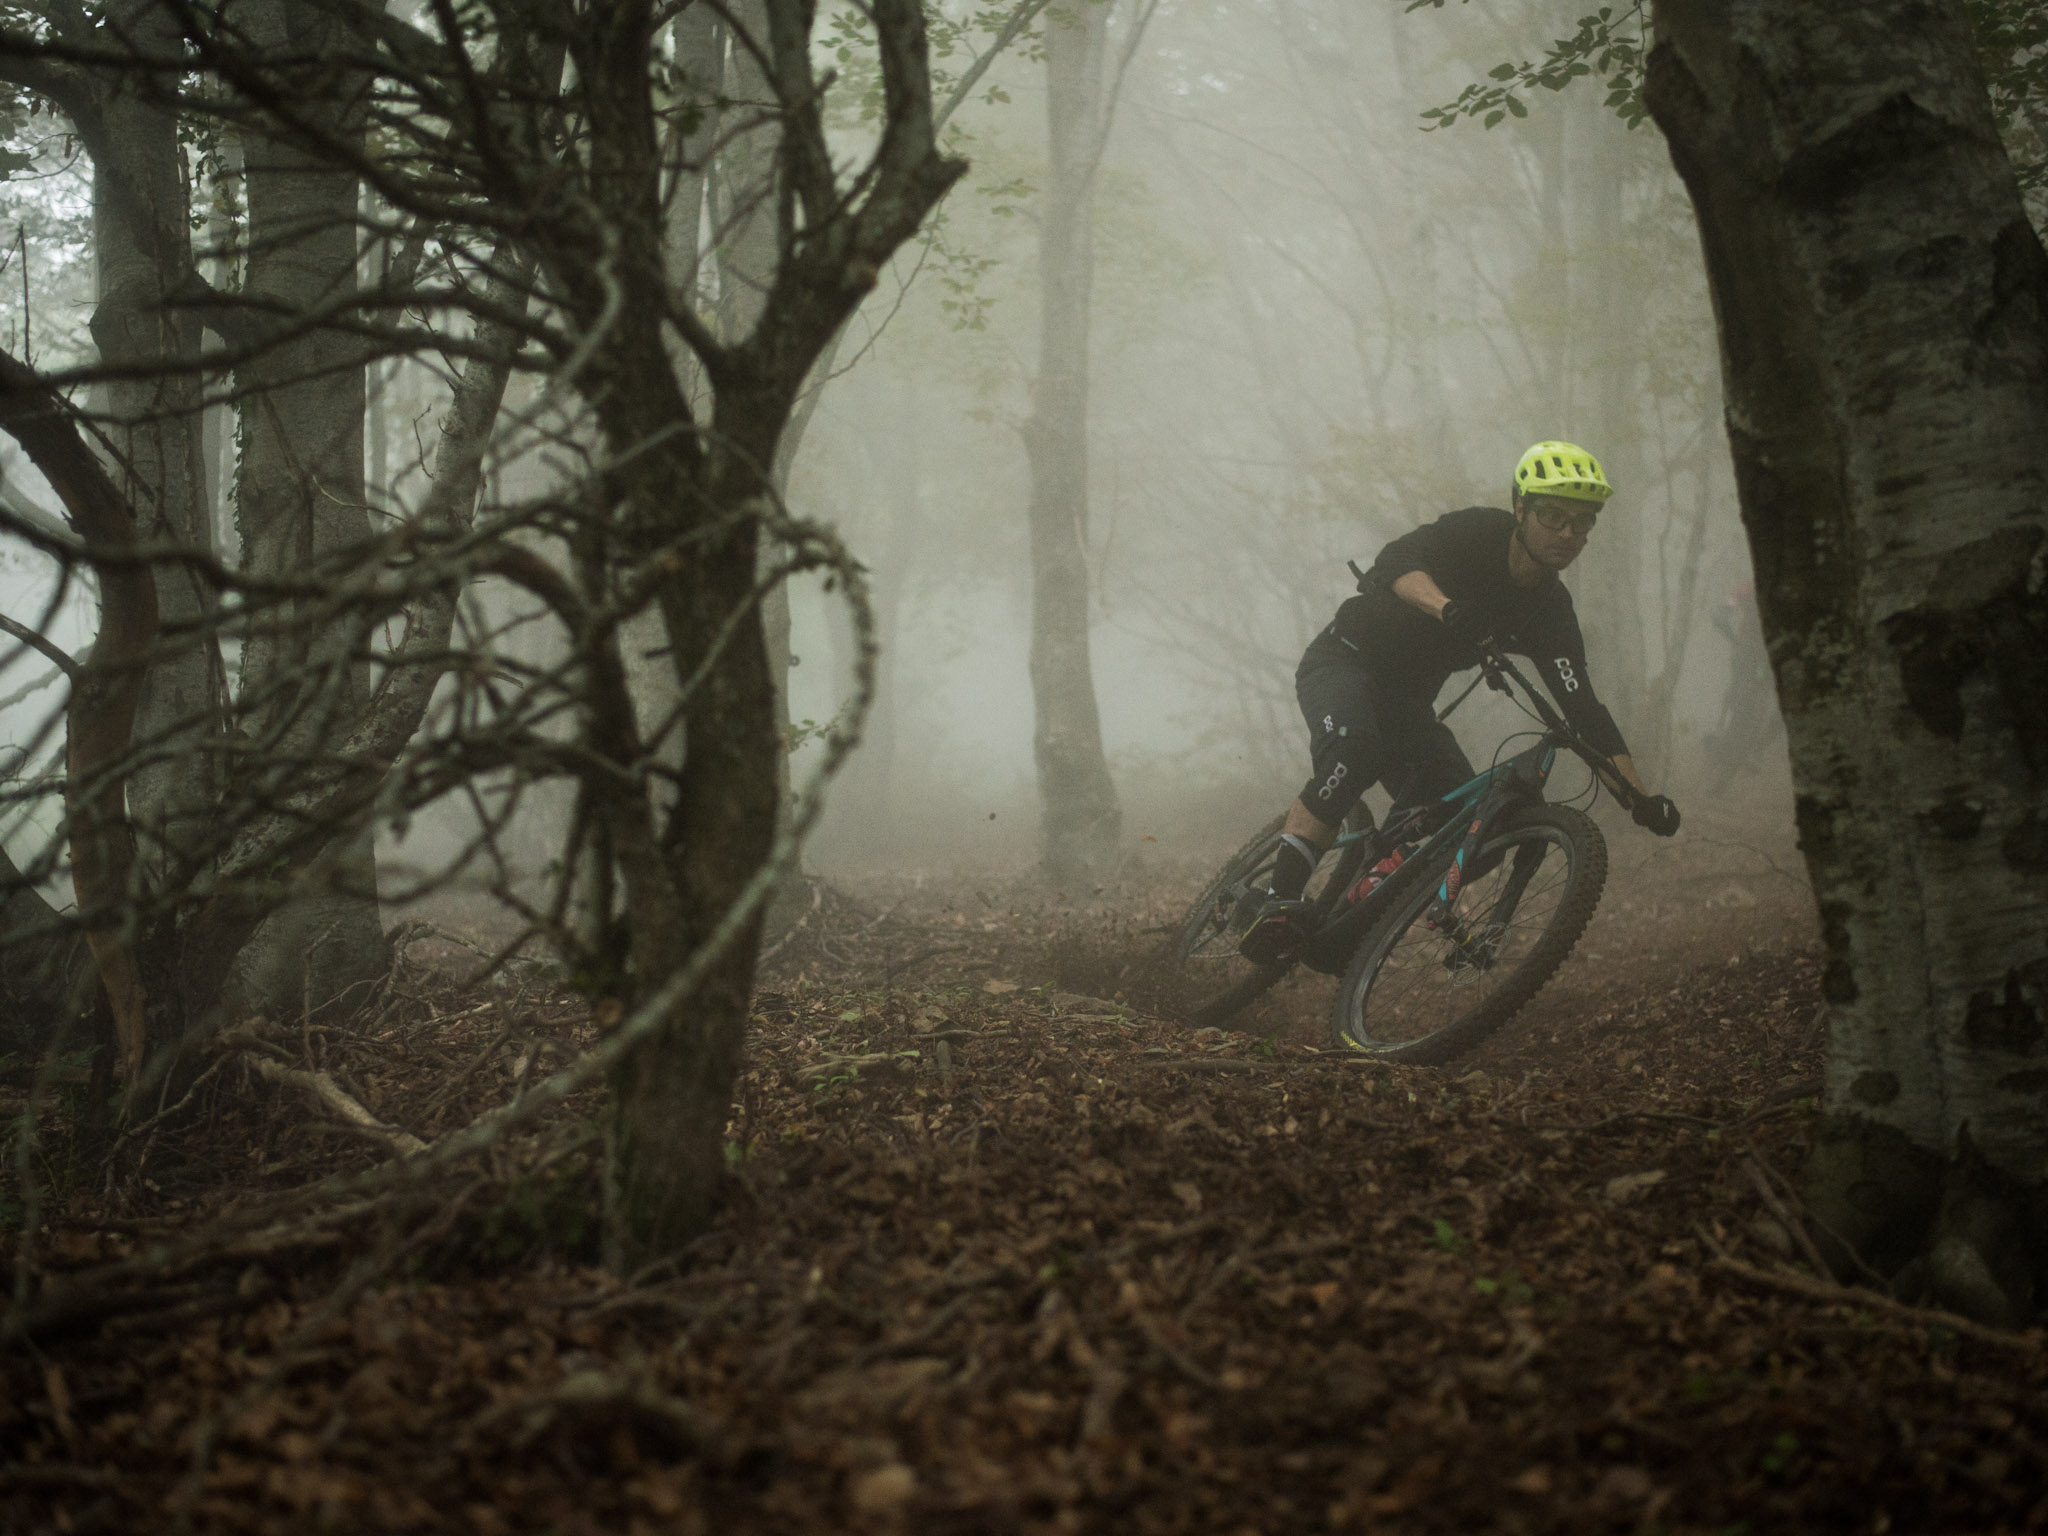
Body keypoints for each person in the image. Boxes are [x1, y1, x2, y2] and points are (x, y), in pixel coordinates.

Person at [1240, 440, 1681, 964]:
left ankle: (1357, 914)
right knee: (1355, 752)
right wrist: (1448, 608)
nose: (1567, 533)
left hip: (1406, 705)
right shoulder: (1477, 533)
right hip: (1346, 660)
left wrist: (1638, 799)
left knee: (1470, 828)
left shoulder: (1549, 611)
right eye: (1552, 515)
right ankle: (1277, 899)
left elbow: (1584, 710)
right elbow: (1396, 562)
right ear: (1521, 509)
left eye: (1582, 523)